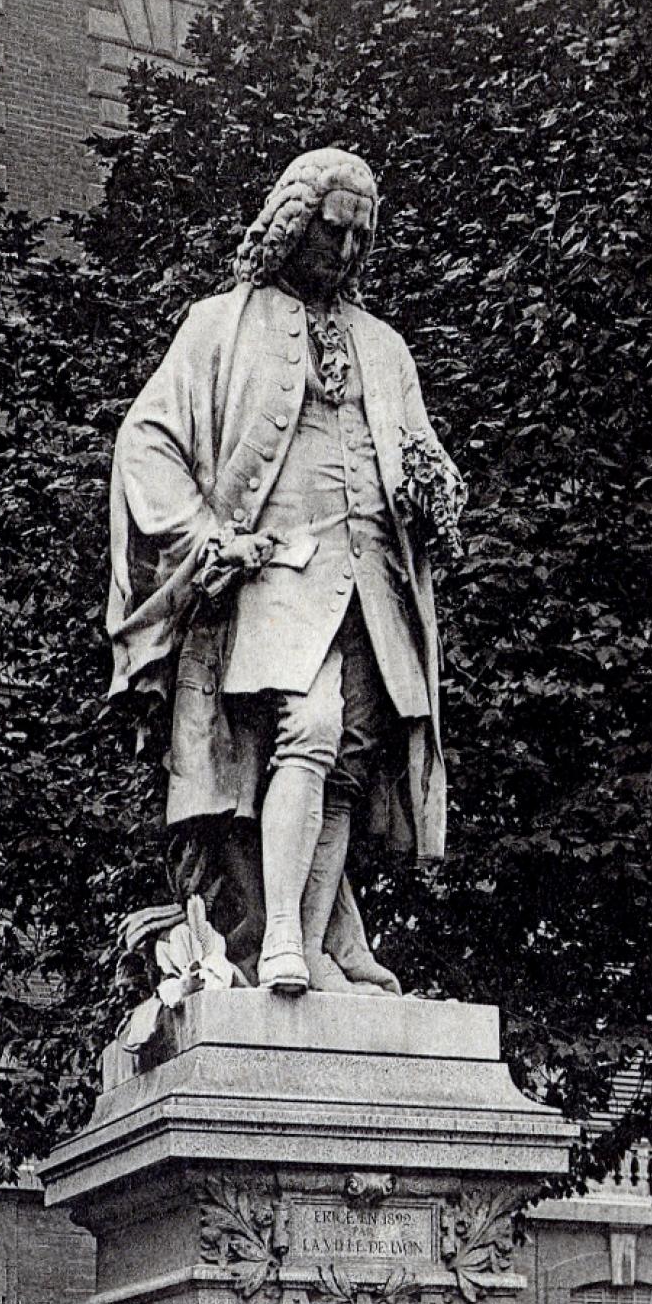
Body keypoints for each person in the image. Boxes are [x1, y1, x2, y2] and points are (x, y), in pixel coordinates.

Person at [107, 147, 461, 994]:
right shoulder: (221, 323)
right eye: (330, 232)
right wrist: (200, 536)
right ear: (294, 224)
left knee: (348, 756)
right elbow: (145, 440)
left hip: (373, 582)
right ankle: (276, 946)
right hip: (274, 574)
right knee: (311, 727)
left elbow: (425, 458)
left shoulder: (385, 347)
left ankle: (316, 937)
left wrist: (435, 493)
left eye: (360, 240)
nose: (343, 254)